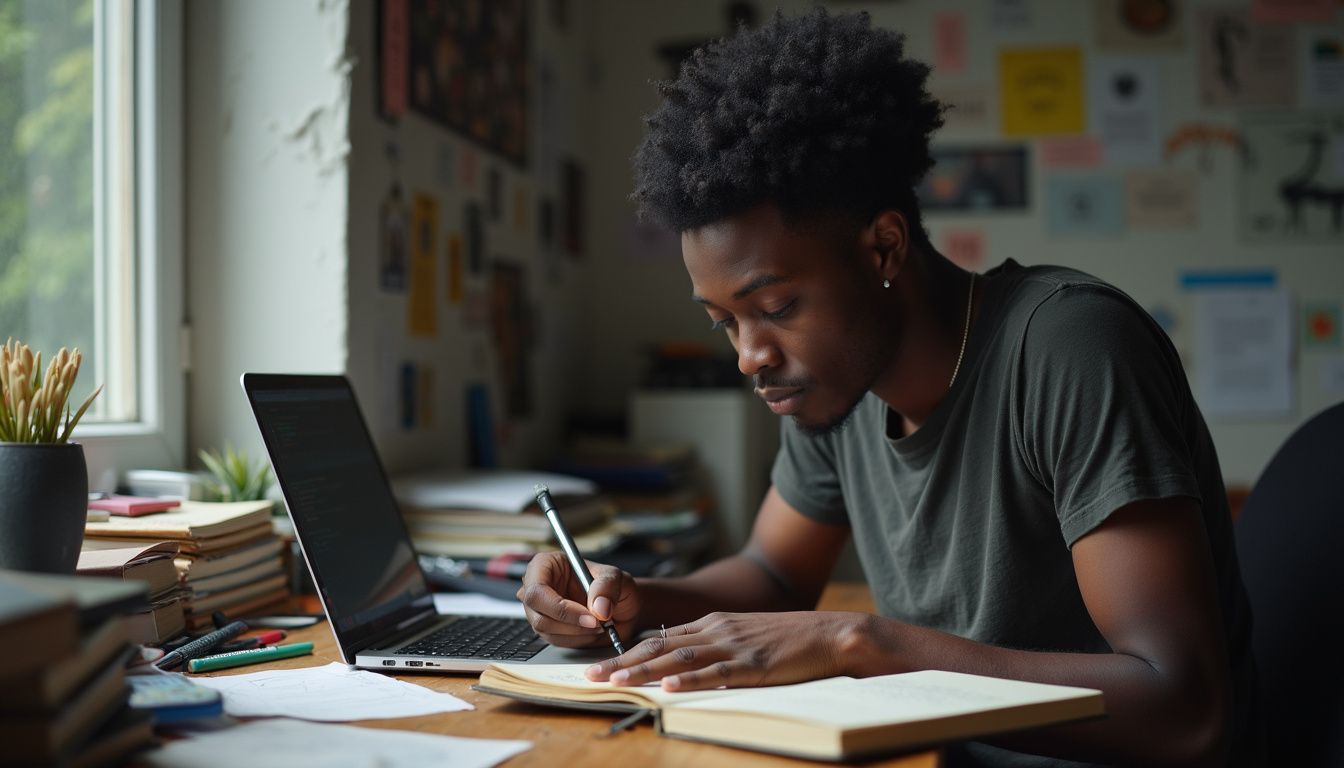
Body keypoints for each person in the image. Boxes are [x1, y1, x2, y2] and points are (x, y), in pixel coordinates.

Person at [519, 9, 1260, 766]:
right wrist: (638, 599)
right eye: (725, 322)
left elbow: (1183, 709)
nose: (750, 356)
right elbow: (775, 576)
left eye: (775, 309)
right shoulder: (830, 382)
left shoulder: (1071, 349)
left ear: (884, 246)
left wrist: (860, 641)